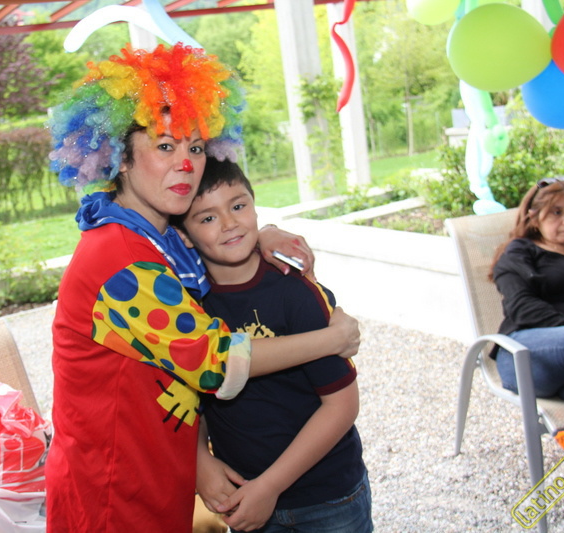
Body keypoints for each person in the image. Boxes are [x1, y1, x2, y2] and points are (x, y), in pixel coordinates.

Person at [45, 43, 361, 533]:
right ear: (120, 158)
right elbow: (217, 363)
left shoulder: (156, 238)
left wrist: (260, 235)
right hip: (114, 494)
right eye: (165, 146)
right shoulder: (122, 263)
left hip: (159, 477)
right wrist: (332, 339)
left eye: (195, 148)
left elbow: (208, 244)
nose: (187, 164)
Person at [175, 157, 371, 533]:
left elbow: (342, 404)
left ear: (254, 205)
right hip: (243, 496)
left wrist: (269, 487)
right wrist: (200, 460)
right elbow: (191, 397)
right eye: (208, 217)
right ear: (184, 235)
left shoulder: (294, 290)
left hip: (327, 497)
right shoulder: (187, 307)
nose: (230, 223)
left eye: (238, 206)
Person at [490, 176, 564, 529]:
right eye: (557, 212)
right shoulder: (519, 253)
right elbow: (522, 308)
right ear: (534, 217)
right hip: (527, 356)